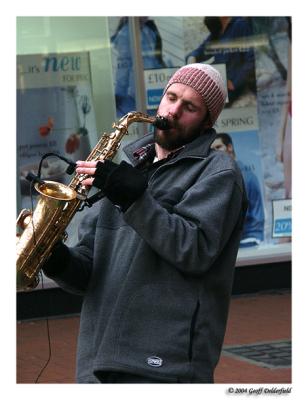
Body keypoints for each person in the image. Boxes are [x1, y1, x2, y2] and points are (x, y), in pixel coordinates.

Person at [42, 64, 247, 383]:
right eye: (171, 97)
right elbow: (90, 271)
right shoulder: (129, 167)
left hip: (163, 364)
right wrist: (55, 258)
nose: (174, 110)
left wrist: (135, 200)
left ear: (208, 120)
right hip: (99, 361)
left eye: (189, 106)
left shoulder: (218, 173)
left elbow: (193, 250)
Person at [186, 17, 256, 106]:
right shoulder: (216, 25)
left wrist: (235, 82)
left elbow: (251, 59)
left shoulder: (240, 25)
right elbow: (203, 49)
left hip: (230, 82)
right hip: (216, 77)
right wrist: (192, 57)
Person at [211, 133, 264, 247]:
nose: (215, 152)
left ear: (229, 147)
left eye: (218, 147)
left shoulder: (240, 176)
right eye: (213, 149)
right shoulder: (234, 173)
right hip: (245, 238)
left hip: (248, 239)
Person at [111, 17, 167, 116]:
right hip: (139, 89)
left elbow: (157, 57)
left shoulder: (149, 29)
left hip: (153, 87)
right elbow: (123, 66)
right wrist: (118, 96)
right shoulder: (127, 33)